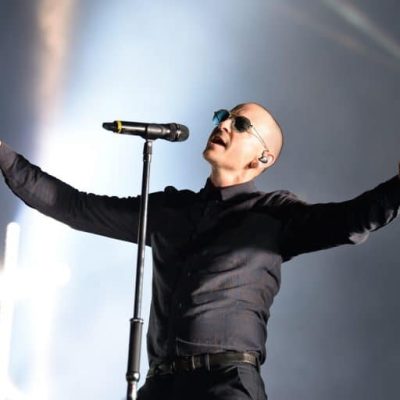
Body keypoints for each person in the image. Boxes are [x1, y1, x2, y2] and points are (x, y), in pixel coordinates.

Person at [0, 102, 399, 400]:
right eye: (223, 116)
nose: (223, 124)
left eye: (240, 125)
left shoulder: (275, 215)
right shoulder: (170, 210)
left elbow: (351, 220)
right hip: (159, 385)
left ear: (264, 157)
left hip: (224, 384)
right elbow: (75, 207)